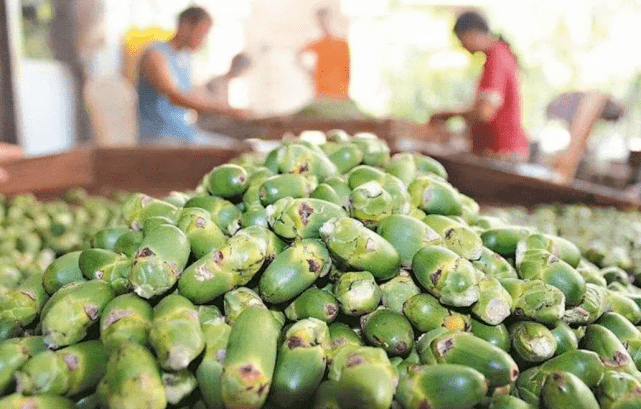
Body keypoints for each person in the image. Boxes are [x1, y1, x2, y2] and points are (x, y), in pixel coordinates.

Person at [137, 6, 249, 145]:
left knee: (240, 146)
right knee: (235, 151)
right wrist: (227, 110)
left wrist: (232, 110)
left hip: (183, 132)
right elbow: (175, 97)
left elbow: (194, 95)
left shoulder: (184, 58)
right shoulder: (156, 55)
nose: (203, 40)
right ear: (185, 26)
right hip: (160, 136)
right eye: (202, 33)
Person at [429, 11, 529, 161]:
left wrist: (448, 115)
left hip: (501, 152)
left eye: (461, 40)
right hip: (499, 150)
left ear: (471, 34)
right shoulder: (498, 55)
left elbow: (485, 112)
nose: (462, 46)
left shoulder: (497, 58)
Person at [297, 7, 350, 100]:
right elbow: (299, 53)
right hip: (322, 90)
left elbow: (349, 67)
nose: (323, 23)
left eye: (325, 20)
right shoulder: (317, 43)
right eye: (320, 21)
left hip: (341, 90)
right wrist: (309, 72)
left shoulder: (342, 43)